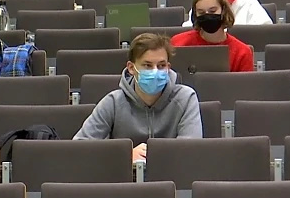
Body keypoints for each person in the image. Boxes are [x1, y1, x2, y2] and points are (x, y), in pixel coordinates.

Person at [73, 33, 202, 161]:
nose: (155, 71)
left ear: (168, 68)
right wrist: (124, 155)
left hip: (172, 176)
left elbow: (190, 149)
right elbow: (79, 147)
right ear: (131, 68)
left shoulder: (186, 98)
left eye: (161, 65)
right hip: (124, 178)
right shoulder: (113, 102)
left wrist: (153, 155)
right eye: (147, 65)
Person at [171, 0, 254, 72]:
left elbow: (246, 85)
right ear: (195, 15)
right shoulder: (178, 43)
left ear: (224, 11)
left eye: (212, 11)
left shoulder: (242, 52)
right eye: (201, 12)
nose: (207, 15)